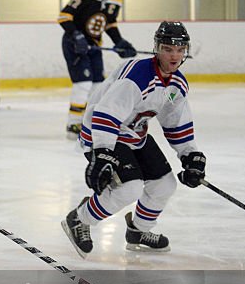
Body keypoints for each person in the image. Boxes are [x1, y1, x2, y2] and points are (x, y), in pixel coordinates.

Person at [61, 21, 205, 258]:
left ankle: (138, 230)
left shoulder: (177, 84)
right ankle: (79, 218)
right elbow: (106, 113)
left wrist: (190, 155)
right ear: (157, 48)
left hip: (134, 134)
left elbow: (176, 123)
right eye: (168, 49)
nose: (175, 55)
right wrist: (103, 151)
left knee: (165, 185)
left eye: (180, 50)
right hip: (104, 132)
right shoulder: (137, 75)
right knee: (129, 188)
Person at [58, 0, 136, 139]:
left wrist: (119, 42)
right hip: (74, 44)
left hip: (94, 45)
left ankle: (89, 122)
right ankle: (73, 124)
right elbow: (64, 17)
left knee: (98, 87)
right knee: (83, 84)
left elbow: (109, 23)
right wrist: (76, 35)